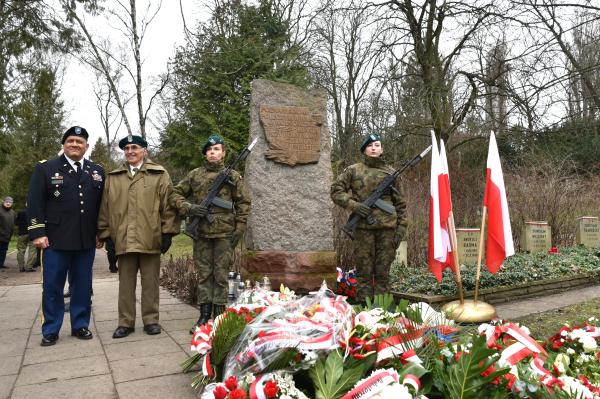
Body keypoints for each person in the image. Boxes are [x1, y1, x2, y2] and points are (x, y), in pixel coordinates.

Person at [27, 126, 105, 346]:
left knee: (82, 285)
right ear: (63, 144)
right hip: (54, 239)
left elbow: (101, 207)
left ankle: (80, 325)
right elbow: (34, 203)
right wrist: (37, 232)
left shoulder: (96, 171)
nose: (74, 145)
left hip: (85, 239)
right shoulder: (46, 168)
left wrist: (101, 233)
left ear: (86, 147)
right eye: (70, 141)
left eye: (79, 142)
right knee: (52, 285)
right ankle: (51, 328)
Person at [97, 135, 180, 339]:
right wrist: (106, 234)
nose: (130, 151)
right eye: (126, 148)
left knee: (151, 282)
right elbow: (105, 208)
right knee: (125, 283)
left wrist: (167, 232)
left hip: (150, 236)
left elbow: (169, 206)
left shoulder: (159, 174)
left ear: (145, 150)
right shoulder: (114, 177)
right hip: (123, 238)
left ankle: (151, 320)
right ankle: (125, 322)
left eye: (135, 147)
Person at [170, 135, 250, 333]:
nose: (213, 152)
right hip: (202, 233)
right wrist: (189, 208)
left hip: (225, 234)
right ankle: (204, 315)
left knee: (221, 274)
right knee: (205, 275)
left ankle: (220, 316)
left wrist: (240, 228)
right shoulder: (195, 175)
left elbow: (243, 203)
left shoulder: (233, 177)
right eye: (209, 150)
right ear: (205, 154)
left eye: (217, 149)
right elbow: (174, 194)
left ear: (223, 153)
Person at [330, 133, 407, 302]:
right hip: (363, 229)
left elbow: (401, 203)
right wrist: (354, 206)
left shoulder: (392, 173)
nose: (374, 148)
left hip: (388, 230)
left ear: (382, 149)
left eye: (377, 145)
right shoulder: (353, 170)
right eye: (370, 146)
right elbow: (336, 191)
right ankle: (363, 309)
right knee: (363, 272)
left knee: (383, 272)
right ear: (364, 150)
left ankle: (383, 310)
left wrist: (401, 228)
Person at [15, 204, 36, 272]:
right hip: (32, 233)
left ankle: (21, 267)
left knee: (21, 250)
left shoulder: (20, 212)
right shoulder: (35, 212)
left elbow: (16, 223)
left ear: (26, 203)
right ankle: (29, 267)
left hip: (22, 233)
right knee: (32, 250)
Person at [0, 196, 16, 269]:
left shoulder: (13, 212)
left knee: (3, 251)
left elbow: (13, 224)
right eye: (7, 202)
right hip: (0, 235)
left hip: (7, 235)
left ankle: (1, 264)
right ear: (4, 202)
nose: (8, 203)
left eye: (10, 202)